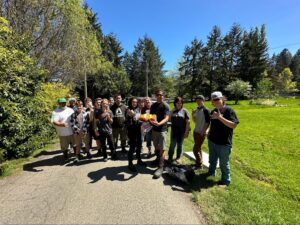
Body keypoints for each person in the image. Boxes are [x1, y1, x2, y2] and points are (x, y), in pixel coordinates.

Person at [207, 91, 239, 186]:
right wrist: (208, 131)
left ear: (222, 99)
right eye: (213, 100)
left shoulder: (229, 110)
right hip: (212, 141)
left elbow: (233, 125)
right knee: (212, 160)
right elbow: (212, 125)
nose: (215, 101)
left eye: (217, 99)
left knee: (224, 164)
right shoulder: (213, 111)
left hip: (224, 143)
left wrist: (220, 117)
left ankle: (225, 181)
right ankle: (211, 173)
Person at [150, 90, 170, 179]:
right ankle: (157, 160)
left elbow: (167, 118)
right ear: (156, 96)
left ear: (163, 96)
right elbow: (151, 116)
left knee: (162, 149)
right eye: (158, 95)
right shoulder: (153, 105)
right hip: (154, 130)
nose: (159, 96)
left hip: (162, 130)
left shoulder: (165, 106)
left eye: (161, 95)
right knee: (156, 147)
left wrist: (159, 123)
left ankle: (161, 167)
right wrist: (151, 120)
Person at [125, 97, 147, 172]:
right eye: (133, 102)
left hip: (138, 130)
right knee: (132, 148)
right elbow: (132, 117)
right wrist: (132, 115)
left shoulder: (138, 109)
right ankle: (130, 164)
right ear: (130, 102)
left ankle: (139, 160)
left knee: (139, 146)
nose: (134, 103)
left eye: (135, 102)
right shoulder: (128, 110)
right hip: (131, 131)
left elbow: (139, 118)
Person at [51, 98, 75, 162]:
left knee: (74, 144)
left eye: (64, 102)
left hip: (72, 131)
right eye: (61, 103)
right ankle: (66, 157)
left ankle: (76, 155)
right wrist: (62, 124)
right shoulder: (55, 112)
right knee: (64, 146)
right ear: (58, 104)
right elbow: (54, 122)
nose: (63, 104)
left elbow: (75, 118)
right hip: (62, 133)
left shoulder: (70, 110)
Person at [168, 96, 190, 164]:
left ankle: (178, 157)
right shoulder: (173, 110)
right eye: (178, 103)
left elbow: (188, 122)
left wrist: (186, 132)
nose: (179, 104)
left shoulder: (185, 111)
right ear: (175, 103)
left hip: (181, 132)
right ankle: (170, 157)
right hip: (174, 131)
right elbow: (168, 118)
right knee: (172, 145)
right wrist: (172, 110)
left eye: (180, 103)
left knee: (180, 145)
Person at [192, 95, 210, 169]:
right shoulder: (197, 110)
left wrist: (203, 131)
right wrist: (193, 115)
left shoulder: (206, 110)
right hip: (196, 131)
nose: (198, 101)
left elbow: (208, 122)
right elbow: (195, 121)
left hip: (201, 133)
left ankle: (199, 165)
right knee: (199, 148)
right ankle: (200, 162)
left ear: (203, 100)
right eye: (197, 99)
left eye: (200, 99)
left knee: (195, 150)